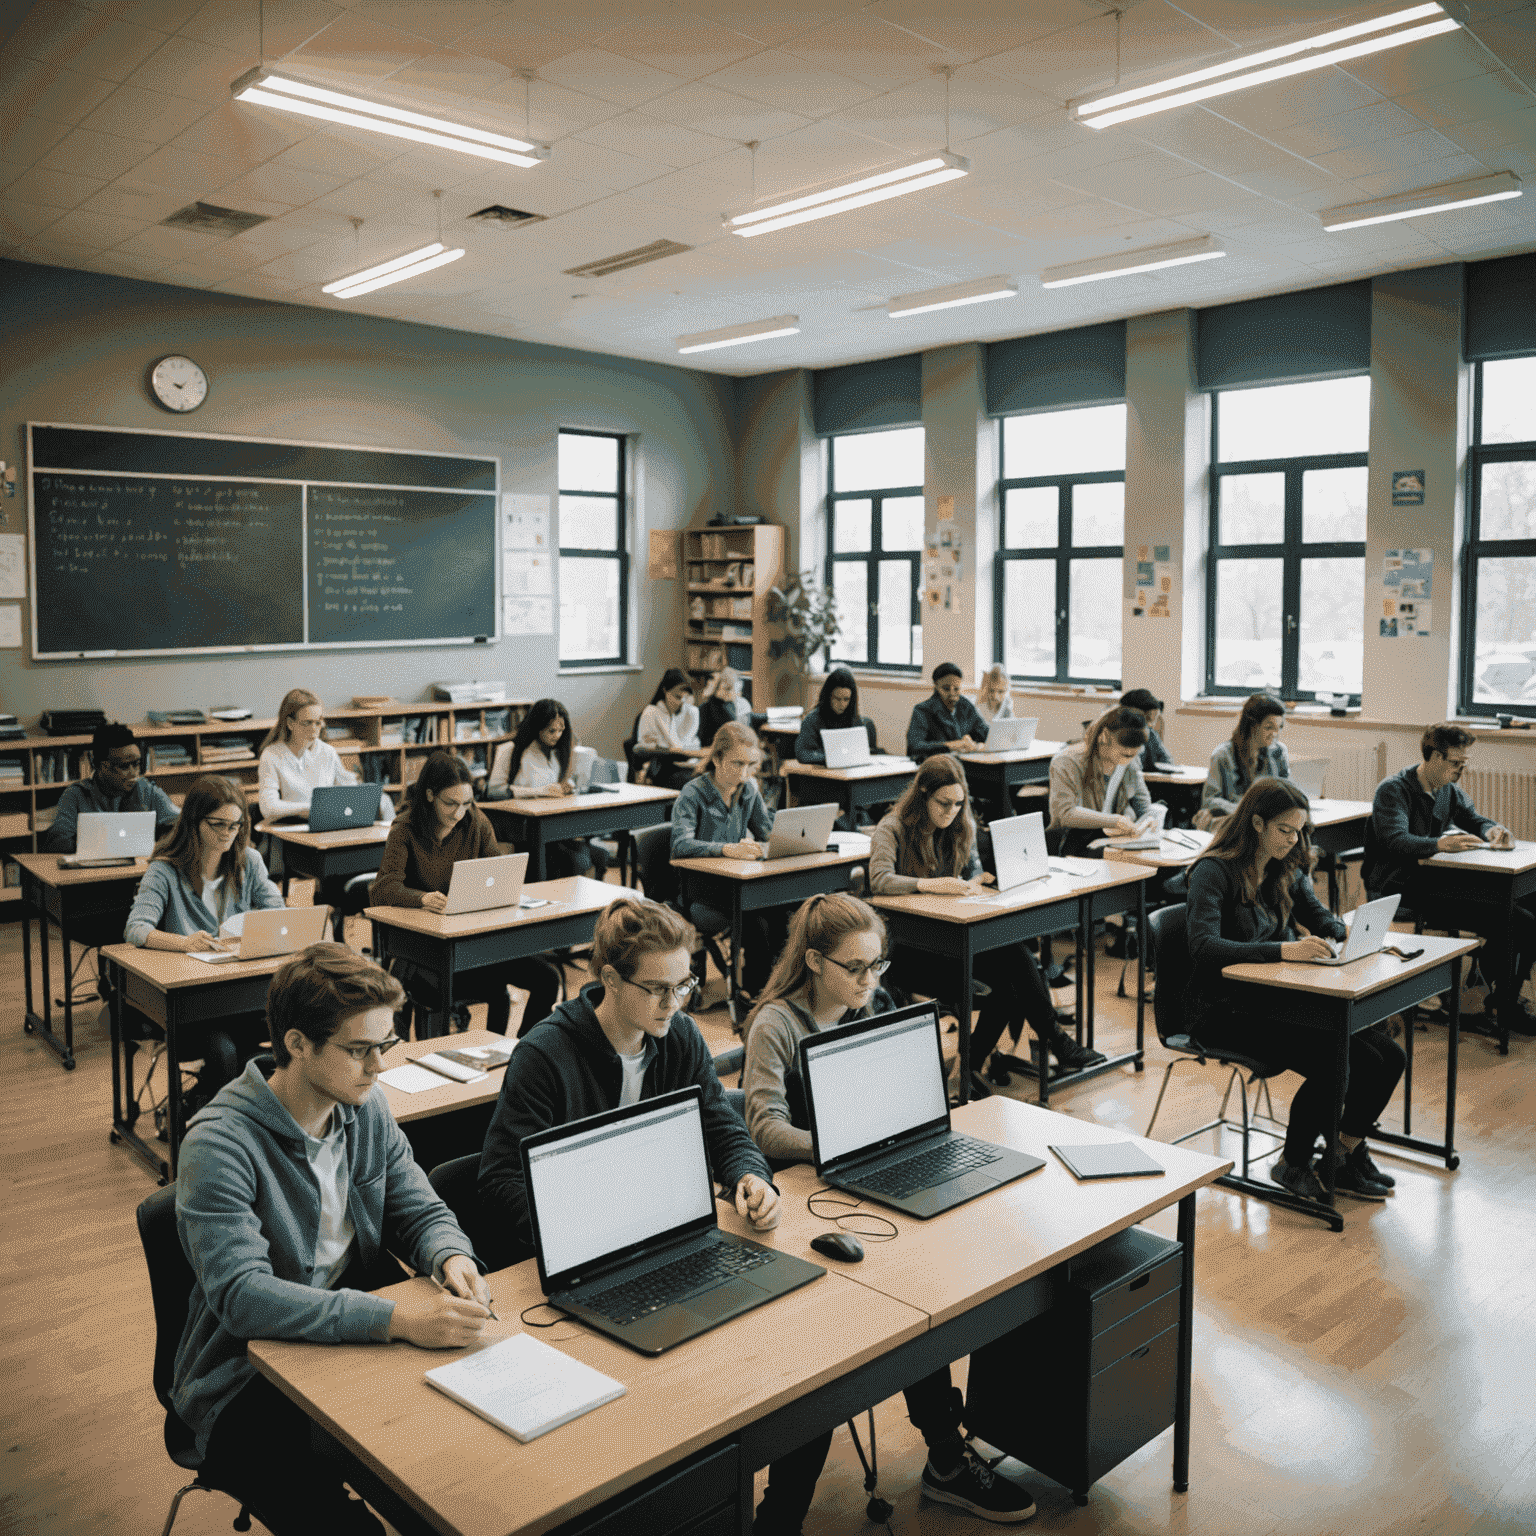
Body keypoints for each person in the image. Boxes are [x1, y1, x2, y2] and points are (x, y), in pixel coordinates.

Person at [740, 892, 1039, 1531]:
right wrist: (843, 1141)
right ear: (814, 961)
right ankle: (782, 1513)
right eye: (857, 968)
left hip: (867, 1179)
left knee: (919, 1304)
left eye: (878, 966)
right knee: (832, 1352)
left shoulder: (867, 1004)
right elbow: (764, 1127)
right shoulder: (776, 1024)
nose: (872, 981)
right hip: (803, 1202)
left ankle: (946, 1458)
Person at [173, 943, 490, 1536]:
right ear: (296, 1044)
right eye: (358, 1050)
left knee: (462, 1477)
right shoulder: (219, 1144)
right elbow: (244, 1298)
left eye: (384, 1046)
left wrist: (450, 1253)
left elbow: (418, 1206)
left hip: (354, 1334)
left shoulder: (363, 1107)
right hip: (245, 1377)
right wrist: (396, 1320)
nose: (378, 1067)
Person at [478, 893, 780, 1258]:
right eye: (656, 989)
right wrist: (586, 1232)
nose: (672, 1004)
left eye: (682, 986)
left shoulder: (680, 1036)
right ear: (612, 979)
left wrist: (750, 1177)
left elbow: (721, 1128)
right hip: (583, 1245)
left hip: (658, 1229)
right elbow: (501, 1181)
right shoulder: (543, 1055)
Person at [1186, 777, 1404, 1202]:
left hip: (1276, 1001)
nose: (1293, 840)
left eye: (1300, 831)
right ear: (1256, 824)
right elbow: (1203, 945)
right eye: (1285, 831)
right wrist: (1285, 950)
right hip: (1223, 1012)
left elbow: (1319, 916)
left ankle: (1344, 1152)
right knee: (1335, 1060)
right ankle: (1295, 1163)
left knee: (1388, 1056)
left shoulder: (1286, 866)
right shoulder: (1214, 871)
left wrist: (1357, 935)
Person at [871, 755, 1103, 1087]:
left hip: (955, 939)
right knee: (1013, 969)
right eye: (943, 803)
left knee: (1012, 967)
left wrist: (978, 880)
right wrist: (931, 884)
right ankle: (1052, 1041)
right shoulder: (891, 828)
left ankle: (974, 1063)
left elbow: (972, 871)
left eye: (958, 803)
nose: (951, 811)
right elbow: (879, 880)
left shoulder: (960, 826)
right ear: (922, 793)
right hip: (912, 951)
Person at [370, 751, 561, 1037]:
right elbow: (383, 888)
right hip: (429, 947)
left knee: (547, 978)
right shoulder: (405, 828)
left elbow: (499, 869)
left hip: (476, 939)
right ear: (430, 795)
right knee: (494, 985)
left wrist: (506, 891)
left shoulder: (475, 821)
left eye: (466, 803)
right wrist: (421, 898)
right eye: (450, 804)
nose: (459, 813)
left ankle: (523, 1053)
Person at [124, 775, 286, 1104]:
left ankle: (238, 1114)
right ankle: (214, 1122)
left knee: (298, 1032)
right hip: (194, 1004)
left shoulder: (249, 861)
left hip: (240, 993)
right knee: (224, 1051)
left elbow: (277, 914)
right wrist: (184, 943)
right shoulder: (165, 870)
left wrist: (254, 934)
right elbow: (136, 929)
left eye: (236, 825)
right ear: (195, 822)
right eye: (219, 825)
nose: (229, 834)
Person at [1363, 723, 1533, 1036]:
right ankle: (1494, 996)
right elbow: (1395, 840)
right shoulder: (1394, 790)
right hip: (1398, 888)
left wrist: (1491, 830)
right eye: (1456, 764)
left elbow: (1474, 819)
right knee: (1517, 920)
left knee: (1524, 912)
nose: (1460, 771)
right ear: (1435, 757)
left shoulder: (1447, 791)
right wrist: (1439, 843)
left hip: (1433, 885)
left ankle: (1495, 993)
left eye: (1464, 764)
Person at [257, 688, 394, 939]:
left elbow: (350, 788)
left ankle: (345, 916)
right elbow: (268, 807)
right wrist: (309, 808)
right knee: (331, 871)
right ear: (289, 723)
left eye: (318, 722)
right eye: (307, 722)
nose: (315, 728)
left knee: (361, 865)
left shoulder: (326, 752)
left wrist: (362, 792)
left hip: (328, 831)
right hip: (294, 838)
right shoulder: (272, 755)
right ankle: (331, 919)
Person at [670, 720, 788, 998]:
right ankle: (755, 996)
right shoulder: (693, 794)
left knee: (783, 916)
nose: (745, 774)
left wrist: (788, 836)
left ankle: (777, 990)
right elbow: (680, 845)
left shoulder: (748, 791)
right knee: (757, 926)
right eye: (737, 764)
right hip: (702, 894)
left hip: (738, 886)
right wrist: (726, 849)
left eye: (750, 765)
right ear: (718, 758)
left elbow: (767, 832)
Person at [485, 699, 608, 880]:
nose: (557, 735)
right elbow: (494, 791)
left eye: (561, 730)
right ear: (538, 726)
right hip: (524, 829)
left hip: (554, 827)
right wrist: (539, 791)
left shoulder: (555, 754)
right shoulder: (511, 750)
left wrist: (565, 788)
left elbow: (553, 788)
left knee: (600, 855)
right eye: (551, 730)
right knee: (578, 860)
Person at [44, 720, 179, 853]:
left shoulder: (147, 790)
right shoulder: (76, 795)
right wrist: (100, 845)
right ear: (103, 766)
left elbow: (181, 824)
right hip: (93, 872)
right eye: (125, 766)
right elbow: (57, 841)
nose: (134, 773)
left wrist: (161, 840)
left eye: (137, 763)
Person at [1047, 707, 1152, 858]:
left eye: (1134, 754)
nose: (1129, 759)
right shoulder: (1067, 761)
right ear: (1104, 737)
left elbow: (1143, 805)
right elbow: (1065, 814)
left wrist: (1149, 820)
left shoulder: (1130, 762)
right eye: (1125, 754)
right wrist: (1114, 821)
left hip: (1113, 840)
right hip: (1074, 843)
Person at [1199, 693, 1289, 828]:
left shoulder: (1278, 751)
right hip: (1235, 823)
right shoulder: (1223, 755)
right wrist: (1245, 809)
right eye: (1269, 727)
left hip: (1266, 823)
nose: (1275, 734)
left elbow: (1287, 790)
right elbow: (1209, 800)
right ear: (1252, 725)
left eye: (1278, 728)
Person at [906, 662, 989, 762]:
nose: (952, 693)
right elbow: (914, 746)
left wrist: (976, 746)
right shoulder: (922, 711)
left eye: (956, 689)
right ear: (936, 686)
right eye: (946, 689)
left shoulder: (965, 706)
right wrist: (951, 745)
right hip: (936, 768)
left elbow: (985, 733)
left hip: (965, 766)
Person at [793, 667, 879, 765]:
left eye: (846, 699)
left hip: (851, 773)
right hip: (824, 775)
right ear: (828, 696)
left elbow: (867, 752)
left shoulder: (856, 720)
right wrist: (830, 757)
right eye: (837, 699)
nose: (842, 704)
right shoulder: (812, 721)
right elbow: (803, 754)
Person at [636, 667, 700, 789]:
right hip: (658, 770)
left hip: (673, 765)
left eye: (683, 698)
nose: (680, 702)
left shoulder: (670, 715)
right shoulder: (652, 712)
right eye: (677, 697)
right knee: (695, 783)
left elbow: (677, 746)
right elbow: (646, 750)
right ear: (665, 690)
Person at [698, 666, 763, 748]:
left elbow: (750, 719)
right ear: (725, 688)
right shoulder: (717, 707)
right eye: (738, 690)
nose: (739, 694)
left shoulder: (728, 704)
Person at [1121, 688, 1175, 774]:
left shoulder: (1151, 734)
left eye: (1154, 720)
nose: (1152, 725)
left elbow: (1167, 760)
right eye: (1148, 721)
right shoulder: (1122, 737)